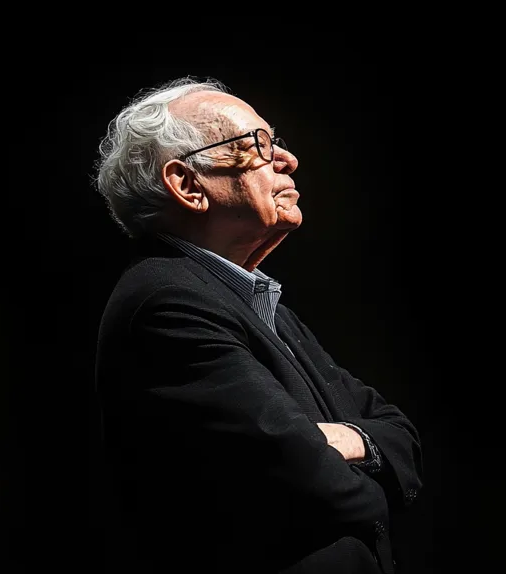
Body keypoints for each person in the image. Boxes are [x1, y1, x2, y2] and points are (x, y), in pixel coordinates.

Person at [93, 77, 422, 574]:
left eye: (277, 141)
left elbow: (402, 435)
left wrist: (348, 441)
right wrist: (369, 466)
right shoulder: (168, 303)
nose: (287, 159)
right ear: (188, 186)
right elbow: (311, 478)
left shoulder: (255, 302)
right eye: (257, 144)